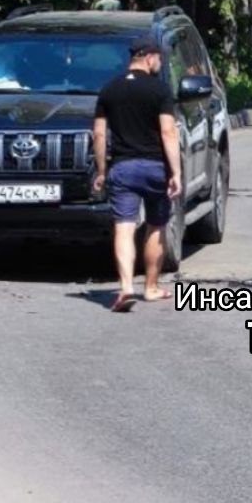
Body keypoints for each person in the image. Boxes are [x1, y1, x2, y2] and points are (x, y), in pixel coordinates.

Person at [91, 36, 182, 312]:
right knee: (156, 225)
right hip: (155, 169)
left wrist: (102, 170)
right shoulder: (160, 91)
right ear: (149, 57)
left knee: (124, 227)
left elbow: (98, 134)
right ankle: (151, 288)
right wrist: (175, 172)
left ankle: (127, 287)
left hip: (123, 168)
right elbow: (168, 132)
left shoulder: (109, 90)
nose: (161, 62)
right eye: (160, 58)